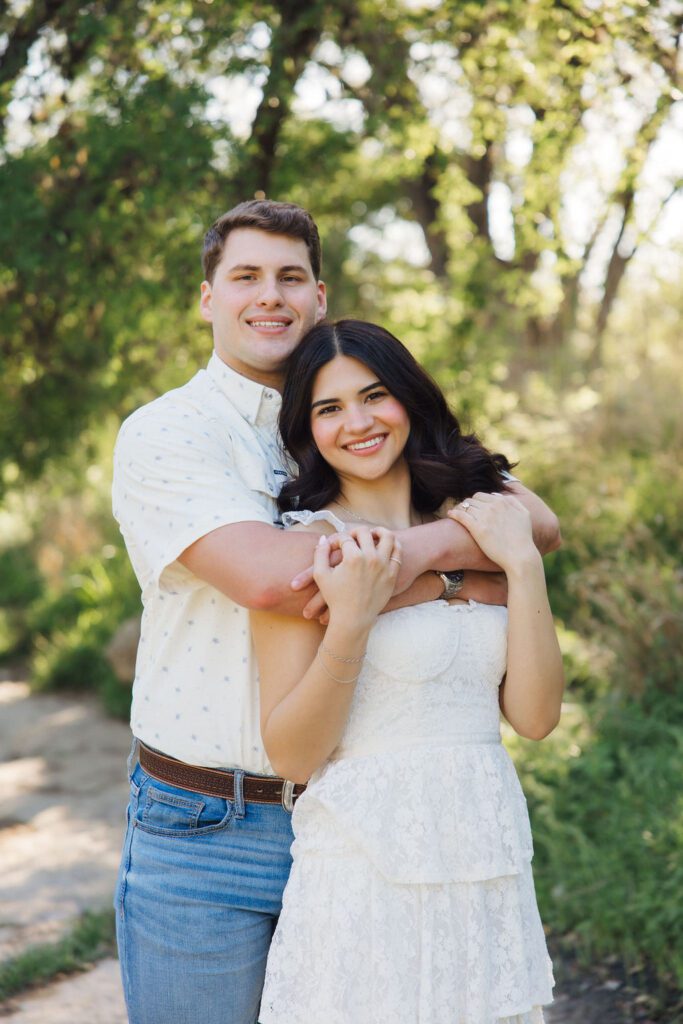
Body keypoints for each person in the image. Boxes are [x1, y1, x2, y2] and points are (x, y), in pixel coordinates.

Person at [111, 200, 561, 1024]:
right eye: (244, 276)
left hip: (381, 822)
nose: (268, 296)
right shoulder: (168, 432)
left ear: (319, 295)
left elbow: (538, 522)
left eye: (289, 277)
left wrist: (424, 559)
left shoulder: (364, 416)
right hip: (214, 820)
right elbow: (282, 583)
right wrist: (463, 571)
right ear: (207, 296)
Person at [253, 318, 563, 1024]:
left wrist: (521, 564)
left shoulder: (481, 526)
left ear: (409, 400)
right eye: (329, 409)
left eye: (374, 396)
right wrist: (355, 620)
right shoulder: (307, 552)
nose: (357, 423)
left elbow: (537, 719)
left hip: (483, 857)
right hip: (362, 869)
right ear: (307, 430)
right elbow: (293, 755)